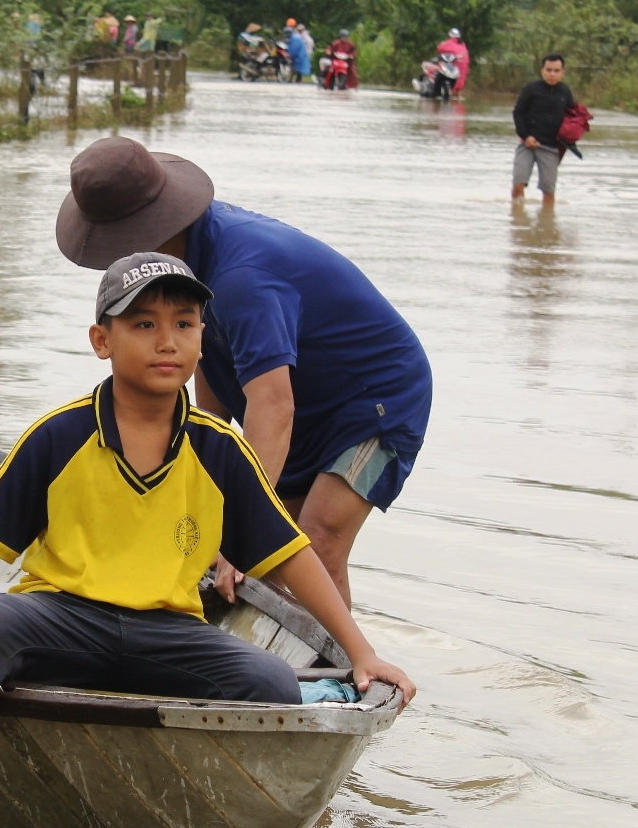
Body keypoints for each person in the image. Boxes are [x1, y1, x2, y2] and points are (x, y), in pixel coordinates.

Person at [0, 253, 417, 828]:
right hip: (62, 617)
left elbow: (293, 555)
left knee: (273, 684)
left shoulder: (218, 448)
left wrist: (359, 652)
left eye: (185, 323)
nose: (166, 341)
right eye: (142, 325)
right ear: (102, 341)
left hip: (167, 631)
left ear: (203, 338)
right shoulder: (60, 435)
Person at [56, 137, 432, 607]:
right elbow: (211, 368)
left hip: (373, 400)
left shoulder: (242, 278)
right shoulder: (186, 269)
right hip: (298, 397)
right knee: (263, 557)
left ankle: (341, 672)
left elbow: (273, 405)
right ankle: (264, 665)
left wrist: (238, 528)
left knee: (313, 543)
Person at [512, 53, 575, 207]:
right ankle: (517, 217)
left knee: (548, 191)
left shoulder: (565, 92)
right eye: (549, 70)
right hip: (527, 144)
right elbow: (518, 113)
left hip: (551, 148)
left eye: (556, 70)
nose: (552, 74)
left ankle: (547, 220)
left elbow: (573, 118)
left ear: (562, 72)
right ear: (542, 71)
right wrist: (526, 136)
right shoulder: (531, 89)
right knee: (518, 183)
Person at [437, 27, 470, 97]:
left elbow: (440, 48)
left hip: (454, 66)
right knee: (459, 86)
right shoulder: (463, 45)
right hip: (464, 68)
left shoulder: (449, 43)